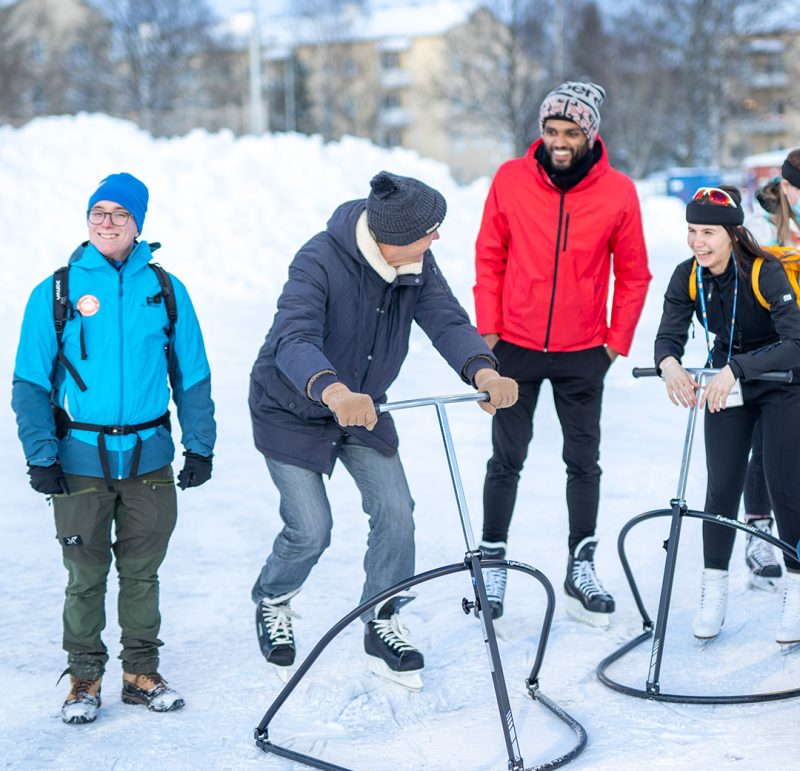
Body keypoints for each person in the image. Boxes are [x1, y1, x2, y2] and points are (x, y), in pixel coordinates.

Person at [249, 171, 518, 690]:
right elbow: (294, 337)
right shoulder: (318, 260)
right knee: (311, 528)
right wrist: (333, 390)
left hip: (364, 407)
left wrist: (482, 369)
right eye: (430, 231)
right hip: (294, 406)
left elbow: (446, 319)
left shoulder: (414, 263)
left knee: (397, 512)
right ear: (391, 236)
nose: (436, 238)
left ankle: (382, 618)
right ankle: (274, 598)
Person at [12, 173, 216, 724]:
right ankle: (84, 677)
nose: (106, 222)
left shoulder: (165, 290)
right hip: (79, 458)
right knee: (84, 574)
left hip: (149, 456)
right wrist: (40, 455)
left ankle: (139, 674)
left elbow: (192, 374)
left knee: (142, 572)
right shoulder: (56, 291)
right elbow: (30, 382)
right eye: (97, 212)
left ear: (138, 225)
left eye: (119, 214)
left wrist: (200, 446)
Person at [473, 81, 651, 626]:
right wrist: (489, 335)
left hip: (582, 353)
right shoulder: (510, 179)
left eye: (570, 132)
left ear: (590, 134)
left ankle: (581, 565)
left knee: (583, 461)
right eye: (551, 131)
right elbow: (489, 254)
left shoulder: (618, 192)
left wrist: (614, 346)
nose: (558, 141)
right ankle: (494, 559)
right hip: (516, 348)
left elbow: (635, 274)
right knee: (507, 458)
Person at [654, 185, 800, 644]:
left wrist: (737, 368)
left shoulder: (765, 271)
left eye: (708, 232)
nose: (698, 241)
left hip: (781, 381)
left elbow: (796, 342)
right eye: (692, 230)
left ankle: (796, 593)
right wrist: (670, 364)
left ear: (733, 233)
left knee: (785, 488)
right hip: (728, 383)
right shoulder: (688, 275)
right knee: (721, 489)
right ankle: (713, 591)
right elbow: (668, 332)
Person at [739, 150, 800, 589]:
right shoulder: (758, 225)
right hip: (773, 344)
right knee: (766, 440)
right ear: (784, 186)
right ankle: (759, 530)